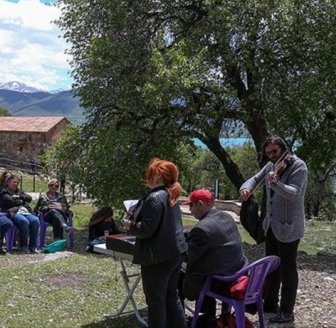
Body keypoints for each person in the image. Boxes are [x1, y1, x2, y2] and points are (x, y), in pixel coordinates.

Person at [239, 137, 307, 324]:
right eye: (268, 153)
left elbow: (294, 193)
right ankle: (270, 303)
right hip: (271, 225)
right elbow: (255, 179)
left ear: (284, 149)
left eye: (274, 152)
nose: (271, 156)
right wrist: (246, 188)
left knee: (288, 270)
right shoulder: (271, 165)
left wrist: (276, 183)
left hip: (289, 228)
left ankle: (287, 311)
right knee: (271, 266)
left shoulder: (298, 167)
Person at [122, 158, 187, 328]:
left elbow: (146, 230)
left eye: (150, 173)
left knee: (156, 302)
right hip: (175, 254)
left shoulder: (155, 197)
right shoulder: (170, 195)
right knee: (171, 297)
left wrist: (130, 226)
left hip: (157, 257)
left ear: (158, 176)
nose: (147, 177)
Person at [182, 189, 247, 326]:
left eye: (191, 205)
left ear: (200, 204)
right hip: (238, 272)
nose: (190, 210)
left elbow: (188, 256)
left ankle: (178, 318)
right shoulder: (226, 217)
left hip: (223, 281)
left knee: (177, 272)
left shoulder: (202, 228)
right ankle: (207, 314)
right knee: (205, 265)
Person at [0, 174, 40, 253]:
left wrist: (19, 197)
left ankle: (33, 246)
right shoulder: (4, 192)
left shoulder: (19, 191)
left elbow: (29, 198)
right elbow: (10, 202)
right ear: (8, 182)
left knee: (35, 221)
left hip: (25, 211)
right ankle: (23, 245)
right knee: (24, 221)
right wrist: (22, 200)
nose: (16, 184)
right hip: (14, 213)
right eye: (14, 182)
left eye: (17, 183)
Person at [34, 179, 73, 243]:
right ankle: (64, 226)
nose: (54, 187)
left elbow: (66, 208)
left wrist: (58, 207)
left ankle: (57, 240)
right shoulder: (43, 196)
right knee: (53, 211)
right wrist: (49, 207)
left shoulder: (62, 196)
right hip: (48, 216)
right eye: (52, 185)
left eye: (56, 186)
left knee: (55, 217)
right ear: (48, 186)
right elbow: (41, 208)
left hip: (61, 215)